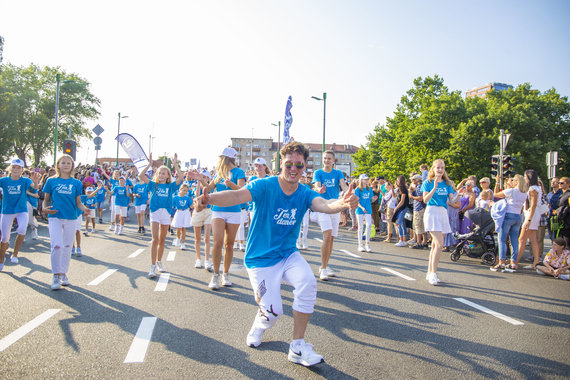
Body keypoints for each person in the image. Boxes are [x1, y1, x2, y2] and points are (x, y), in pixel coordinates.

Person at [195, 141, 358, 367]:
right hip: (260, 260)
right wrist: (209, 199)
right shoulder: (265, 185)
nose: (294, 169)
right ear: (281, 163)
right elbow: (237, 196)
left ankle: (297, 346)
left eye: (299, 166)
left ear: (304, 168)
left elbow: (323, 204)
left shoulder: (304, 193)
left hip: (287, 255)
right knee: (273, 313)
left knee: (308, 283)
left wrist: (342, 203)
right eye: (289, 164)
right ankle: (259, 323)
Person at [42, 155, 89, 289]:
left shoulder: (76, 183)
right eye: (63, 163)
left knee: (68, 246)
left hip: (71, 217)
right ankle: (55, 275)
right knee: (56, 245)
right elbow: (46, 199)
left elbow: (78, 203)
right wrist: (44, 208)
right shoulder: (51, 181)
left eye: (68, 163)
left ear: (72, 166)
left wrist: (85, 209)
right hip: (55, 217)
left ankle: (63, 273)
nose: (66, 165)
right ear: (58, 165)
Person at [203, 147, 246, 289]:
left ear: (228, 159)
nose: (220, 160)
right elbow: (209, 189)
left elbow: (241, 191)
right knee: (217, 243)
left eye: (222, 158)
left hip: (234, 210)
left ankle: (225, 274)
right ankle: (215, 275)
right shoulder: (219, 173)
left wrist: (230, 184)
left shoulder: (239, 172)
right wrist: (200, 180)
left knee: (229, 244)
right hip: (218, 210)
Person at [139, 153, 183, 278]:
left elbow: (181, 177)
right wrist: (149, 164)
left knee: (162, 239)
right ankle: (152, 267)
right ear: (156, 175)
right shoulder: (153, 185)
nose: (161, 175)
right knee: (155, 239)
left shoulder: (170, 186)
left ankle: (159, 262)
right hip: (155, 212)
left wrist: (175, 164)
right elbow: (141, 175)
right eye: (159, 173)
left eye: (164, 173)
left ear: (168, 175)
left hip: (166, 213)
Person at [312, 150, 348, 280]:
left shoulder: (338, 173)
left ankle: (326, 265)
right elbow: (317, 186)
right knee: (327, 236)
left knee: (331, 238)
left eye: (329, 158)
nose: (326, 160)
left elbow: (343, 186)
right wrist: (318, 189)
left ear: (333, 160)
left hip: (335, 207)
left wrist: (349, 193)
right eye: (325, 158)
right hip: (323, 207)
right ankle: (322, 268)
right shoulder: (318, 172)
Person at [421, 159, 457, 285]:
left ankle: (430, 272)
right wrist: (434, 187)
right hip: (432, 212)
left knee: (436, 246)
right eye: (438, 167)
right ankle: (433, 273)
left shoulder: (447, 183)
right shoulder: (428, 182)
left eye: (442, 167)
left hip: (443, 213)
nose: (440, 170)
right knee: (439, 244)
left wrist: (460, 194)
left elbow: (452, 200)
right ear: (433, 168)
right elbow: (425, 200)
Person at [0, 159, 40, 268]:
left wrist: (36, 182)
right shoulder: (3, 181)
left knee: (22, 230)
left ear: (22, 170)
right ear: (10, 168)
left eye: (18, 168)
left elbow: (35, 187)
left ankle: (15, 254)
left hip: (21, 210)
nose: (16, 169)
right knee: (4, 238)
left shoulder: (25, 180)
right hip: (7, 211)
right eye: (14, 167)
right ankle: (1, 259)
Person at [491, 174, 527, 271]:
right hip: (518, 216)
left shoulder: (511, 191)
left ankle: (501, 262)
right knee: (514, 240)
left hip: (508, 215)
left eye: (512, 180)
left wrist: (497, 182)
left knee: (502, 239)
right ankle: (513, 262)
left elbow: (495, 195)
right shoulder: (524, 193)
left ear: (516, 182)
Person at [516, 169, 542, 269]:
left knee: (522, 239)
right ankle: (536, 262)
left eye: (525, 176)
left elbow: (534, 204)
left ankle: (515, 261)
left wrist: (529, 220)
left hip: (531, 215)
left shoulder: (533, 189)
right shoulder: (535, 187)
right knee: (533, 240)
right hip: (533, 214)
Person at [191, 171, 213, 270]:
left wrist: (203, 182)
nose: (203, 178)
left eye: (205, 177)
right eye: (202, 176)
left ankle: (207, 260)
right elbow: (196, 196)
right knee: (197, 238)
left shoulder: (210, 188)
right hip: (198, 212)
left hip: (208, 212)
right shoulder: (197, 186)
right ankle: (198, 259)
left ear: (208, 178)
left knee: (207, 238)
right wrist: (199, 182)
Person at [355, 174, 375, 252]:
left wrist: (374, 199)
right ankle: (360, 245)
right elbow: (357, 200)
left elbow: (371, 199)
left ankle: (367, 244)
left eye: (367, 179)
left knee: (369, 225)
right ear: (361, 180)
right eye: (365, 179)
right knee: (360, 227)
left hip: (368, 209)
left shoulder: (369, 189)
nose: (367, 180)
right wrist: (362, 207)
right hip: (360, 210)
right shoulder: (357, 189)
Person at [171, 183, 193, 250]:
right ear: (180, 189)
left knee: (184, 229)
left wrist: (196, 203)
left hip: (186, 212)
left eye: (186, 191)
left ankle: (183, 243)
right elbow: (172, 205)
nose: (185, 192)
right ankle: (178, 238)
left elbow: (191, 205)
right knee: (178, 228)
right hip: (179, 212)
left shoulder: (188, 198)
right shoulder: (175, 197)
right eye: (184, 190)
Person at [409, 174, 427, 249]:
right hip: (423, 207)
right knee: (423, 226)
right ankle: (424, 242)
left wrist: (411, 195)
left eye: (413, 179)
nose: (412, 181)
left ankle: (419, 242)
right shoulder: (423, 186)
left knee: (418, 225)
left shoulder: (419, 186)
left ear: (416, 180)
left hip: (418, 208)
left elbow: (420, 198)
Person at [392, 175, 410, 247]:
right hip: (401, 207)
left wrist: (396, 208)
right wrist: (393, 188)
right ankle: (402, 239)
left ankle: (403, 239)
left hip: (403, 208)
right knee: (401, 223)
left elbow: (402, 200)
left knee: (399, 223)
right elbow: (395, 196)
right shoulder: (399, 189)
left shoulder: (403, 189)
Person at [553, 177, 570, 247]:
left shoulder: (569, 194)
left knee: (567, 245)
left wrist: (560, 211)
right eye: (559, 183)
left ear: (568, 184)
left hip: (568, 224)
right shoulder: (562, 194)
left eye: (562, 183)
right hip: (562, 223)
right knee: (561, 245)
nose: (559, 184)